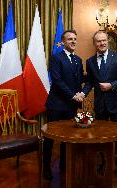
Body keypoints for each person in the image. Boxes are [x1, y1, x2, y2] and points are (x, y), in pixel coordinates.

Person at [78, 30, 117, 180]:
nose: (102, 43)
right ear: (94, 43)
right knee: (101, 137)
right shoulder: (90, 61)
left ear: (108, 41)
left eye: (104, 40)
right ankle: (103, 163)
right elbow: (90, 81)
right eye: (98, 41)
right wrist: (83, 93)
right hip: (100, 106)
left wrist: (112, 85)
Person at [43, 30, 84, 180]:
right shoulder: (56, 58)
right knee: (50, 138)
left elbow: (78, 80)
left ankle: (64, 165)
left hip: (71, 106)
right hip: (56, 105)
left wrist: (82, 91)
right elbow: (58, 81)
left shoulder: (78, 60)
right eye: (69, 39)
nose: (73, 41)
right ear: (63, 42)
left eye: (75, 39)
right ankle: (46, 167)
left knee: (68, 137)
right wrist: (74, 95)